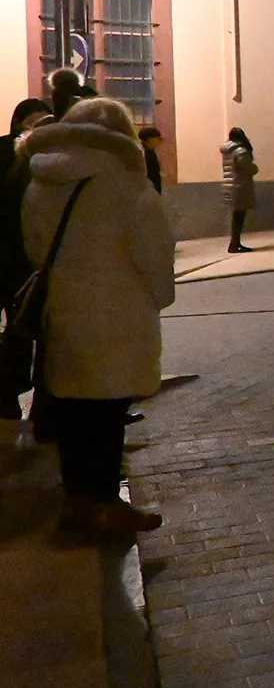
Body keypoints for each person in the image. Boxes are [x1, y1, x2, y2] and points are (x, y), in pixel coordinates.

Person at [21, 98, 174, 534]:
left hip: (64, 314)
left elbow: (35, 251)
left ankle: (76, 500)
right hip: (118, 317)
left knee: (71, 411)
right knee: (107, 416)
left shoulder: (40, 184)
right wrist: (159, 297)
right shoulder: (128, 188)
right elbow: (156, 259)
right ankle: (106, 502)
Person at [0, 99, 52, 420]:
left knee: (20, 330)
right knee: (21, 331)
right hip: (15, 257)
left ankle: (9, 395)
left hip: (22, 259)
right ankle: (9, 393)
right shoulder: (19, 154)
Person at [221, 127, 257, 253]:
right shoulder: (241, 151)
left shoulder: (227, 151)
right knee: (239, 217)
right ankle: (235, 244)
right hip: (240, 186)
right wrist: (255, 168)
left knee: (236, 217)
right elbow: (248, 168)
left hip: (229, 185)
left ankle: (235, 243)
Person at [138, 127, 164, 194]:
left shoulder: (151, 152)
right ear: (149, 139)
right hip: (149, 189)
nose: (159, 140)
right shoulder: (145, 154)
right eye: (156, 137)